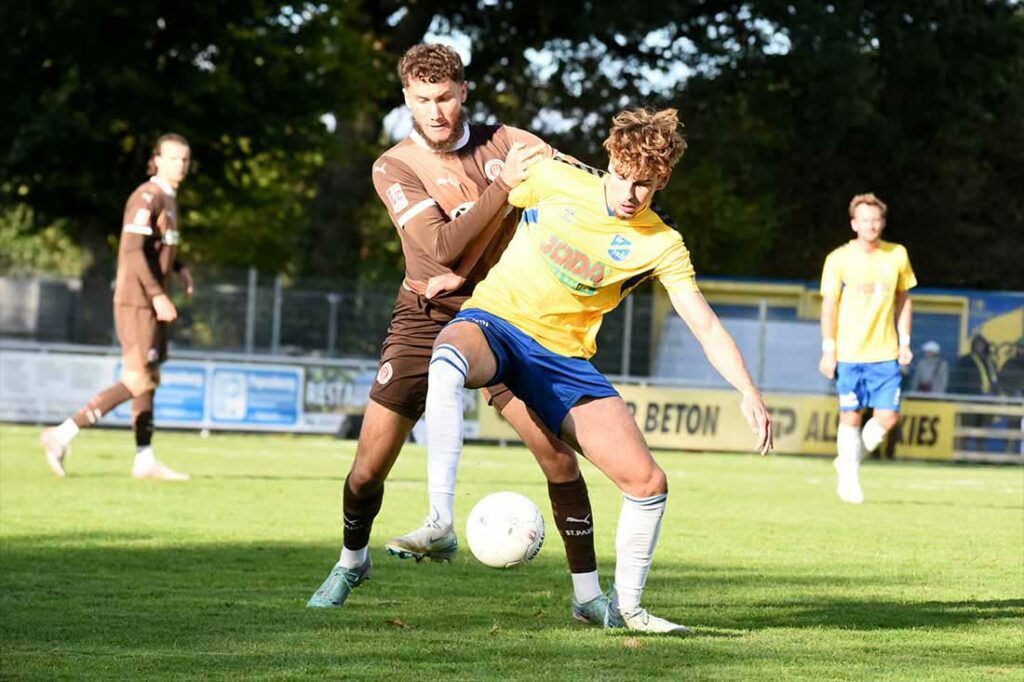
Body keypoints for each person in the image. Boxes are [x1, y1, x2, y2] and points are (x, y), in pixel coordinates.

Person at [395, 108, 773, 634]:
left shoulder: (662, 243)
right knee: (447, 358)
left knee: (647, 482)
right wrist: (453, 275)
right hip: (498, 322)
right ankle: (439, 522)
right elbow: (494, 214)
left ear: (662, 180)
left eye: (644, 184)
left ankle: (628, 610)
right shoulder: (553, 179)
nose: (629, 193)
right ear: (609, 162)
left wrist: (748, 391)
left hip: (565, 360)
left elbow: (704, 325)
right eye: (622, 176)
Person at [307, 45, 607, 625]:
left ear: (463, 91)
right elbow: (439, 248)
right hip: (427, 314)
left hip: (507, 316)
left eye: (444, 97)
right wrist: (502, 193)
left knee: (558, 457)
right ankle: (351, 561)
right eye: (422, 100)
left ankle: (589, 597)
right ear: (406, 101)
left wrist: (618, 186)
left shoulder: (508, 143)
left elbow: (584, 189)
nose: (436, 111)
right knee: (369, 466)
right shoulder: (393, 166)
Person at [40, 133, 195, 480]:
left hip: (151, 303)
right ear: (156, 160)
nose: (180, 165)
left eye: (184, 159)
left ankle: (145, 459)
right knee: (138, 379)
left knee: (150, 377)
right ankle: (61, 434)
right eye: (172, 158)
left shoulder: (170, 199)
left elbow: (160, 246)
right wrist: (157, 294)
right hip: (136, 301)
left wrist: (181, 269)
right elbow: (131, 251)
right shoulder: (146, 196)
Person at [819, 192, 916, 504]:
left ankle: (848, 459)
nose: (871, 225)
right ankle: (849, 481)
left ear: (882, 222)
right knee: (851, 416)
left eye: (876, 219)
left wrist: (905, 342)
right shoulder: (838, 259)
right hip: (849, 353)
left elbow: (904, 299)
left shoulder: (897, 255)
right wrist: (828, 349)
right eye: (864, 220)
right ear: (853, 224)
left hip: (885, 352)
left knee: (888, 418)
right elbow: (829, 306)